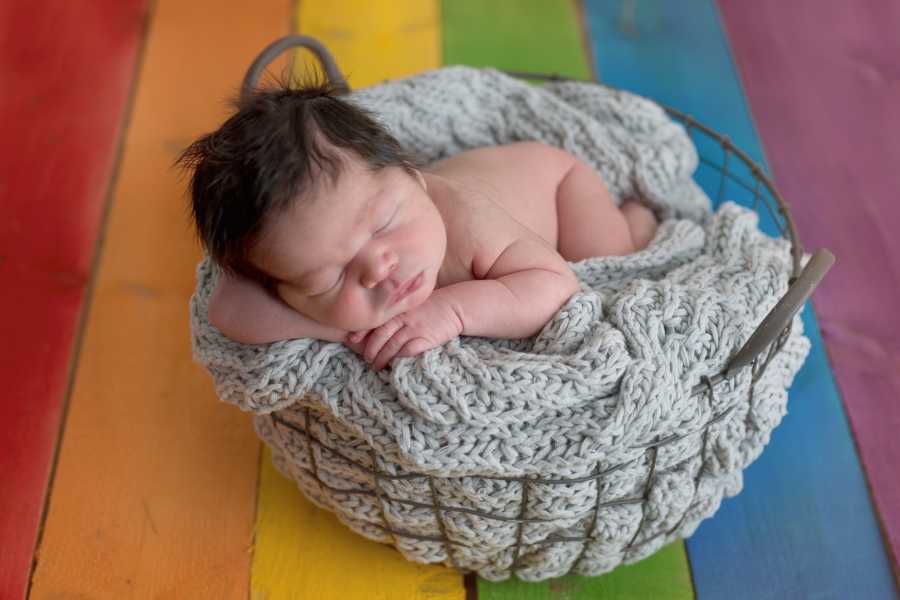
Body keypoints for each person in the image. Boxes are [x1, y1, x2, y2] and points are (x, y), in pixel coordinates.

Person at [179, 80, 658, 371]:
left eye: (383, 224)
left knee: (613, 258)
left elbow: (555, 285)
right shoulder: (339, 239)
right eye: (328, 276)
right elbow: (227, 309)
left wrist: (450, 313)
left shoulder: (470, 225)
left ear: (412, 175)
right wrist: (342, 328)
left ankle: (636, 219)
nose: (376, 268)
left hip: (558, 187)